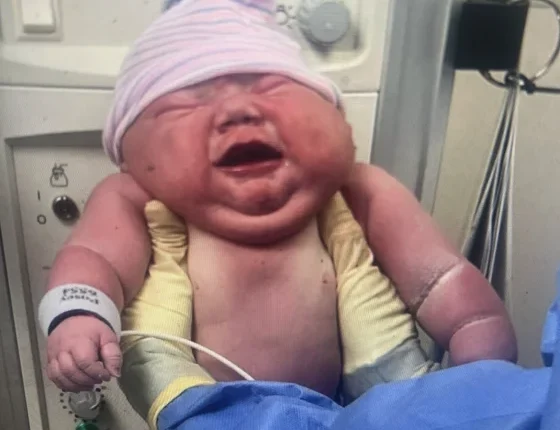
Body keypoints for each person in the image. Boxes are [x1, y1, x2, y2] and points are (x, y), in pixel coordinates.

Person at [37, 0, 516, 428]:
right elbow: (95, 258)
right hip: (208, 413)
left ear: (336, 118)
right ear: (130, 154)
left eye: (272, 88)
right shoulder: (135, 198)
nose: (239, 110)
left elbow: (439, 278)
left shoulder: (359, 190)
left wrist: (474, 334)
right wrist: (80, 314)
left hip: (354, 409)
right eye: (186, 104)